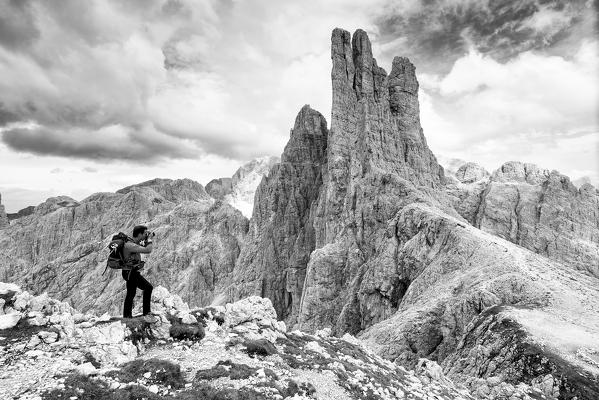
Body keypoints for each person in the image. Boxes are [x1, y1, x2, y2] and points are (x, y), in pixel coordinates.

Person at [122, 225, 155, 320]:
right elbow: (148, 250)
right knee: (148, 287)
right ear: (139, 234)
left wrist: (146, 239)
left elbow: (142, 246)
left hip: (129, 272)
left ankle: (127, 317)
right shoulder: (130, 245)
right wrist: (149, 240)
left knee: (131, 293)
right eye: (144, 233)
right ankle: (147, 313)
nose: (146, 235)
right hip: (131, 272)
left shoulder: (133, 243)